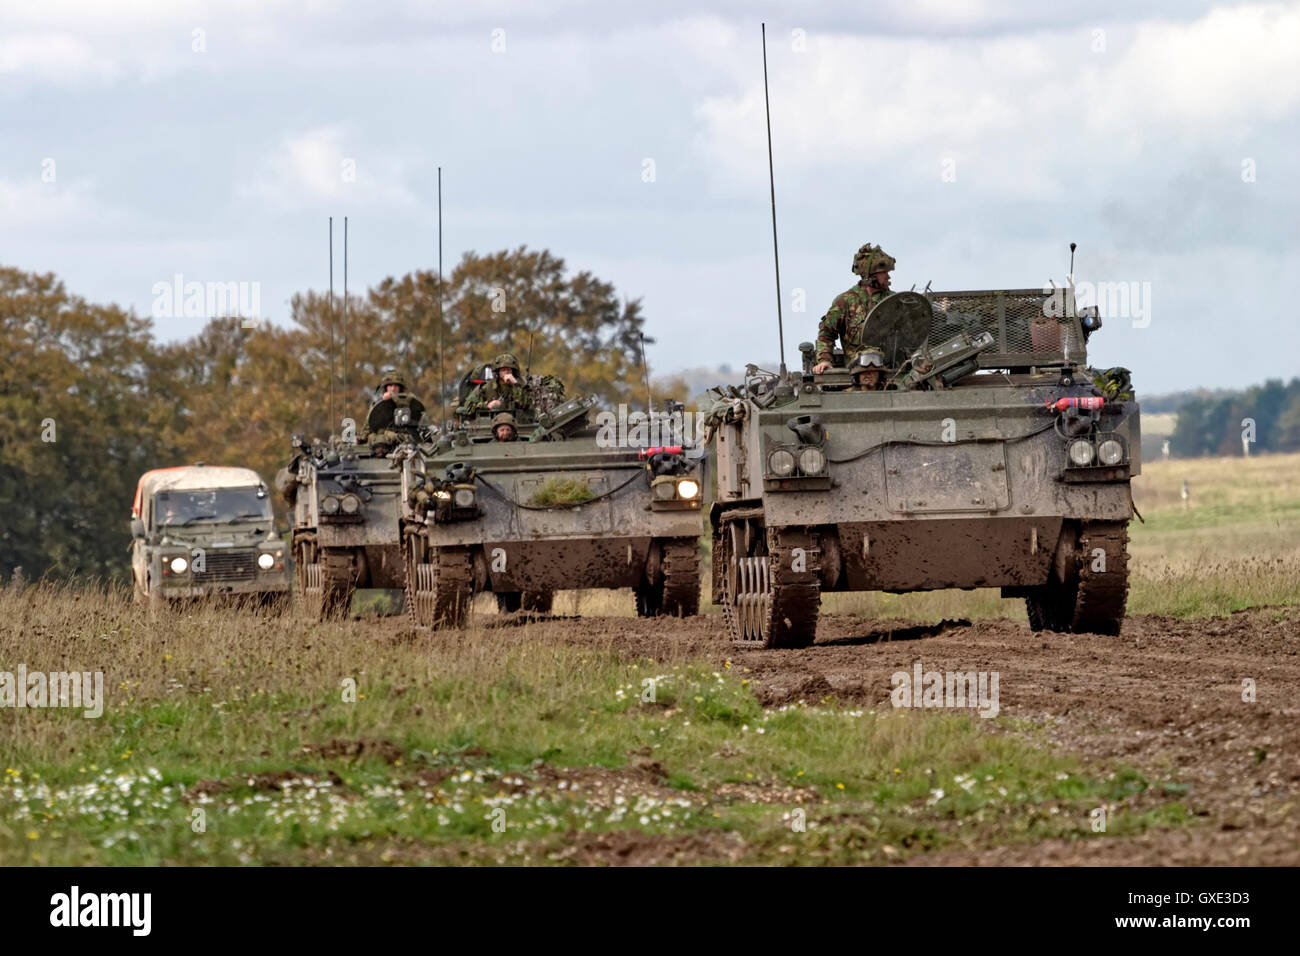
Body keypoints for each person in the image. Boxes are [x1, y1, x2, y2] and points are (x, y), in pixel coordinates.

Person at [812, 244, 896, 374]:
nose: (888, 277)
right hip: (855, 377)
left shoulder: (893, 301)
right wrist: (824, 360)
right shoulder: (845, 302)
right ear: (871, 275)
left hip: (891, 374)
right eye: (884, 273)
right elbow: (826, 333)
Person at [462, 353, 534, 417]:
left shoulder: (521, 385)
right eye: (503, 370)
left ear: (513, 371)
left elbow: (527, 404)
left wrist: (515, 383)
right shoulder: (486, 387)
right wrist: (487, 405)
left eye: (509, 369)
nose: (506, 372)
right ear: (497, 372)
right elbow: (468, 407)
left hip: (516, 422)